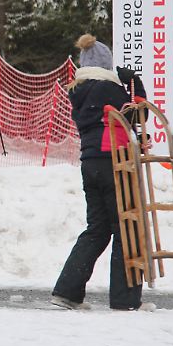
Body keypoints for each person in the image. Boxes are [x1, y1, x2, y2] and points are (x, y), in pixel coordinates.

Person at [52, 34, 153, 312]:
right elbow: (139, 114)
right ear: (107, 66)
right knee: (127, 228)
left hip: (90, 163)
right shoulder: (109, 89)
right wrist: (134, 82)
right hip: (115, 162)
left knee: (97, 229)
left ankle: (67, 291)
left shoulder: (79, 89)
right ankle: (126, 298)